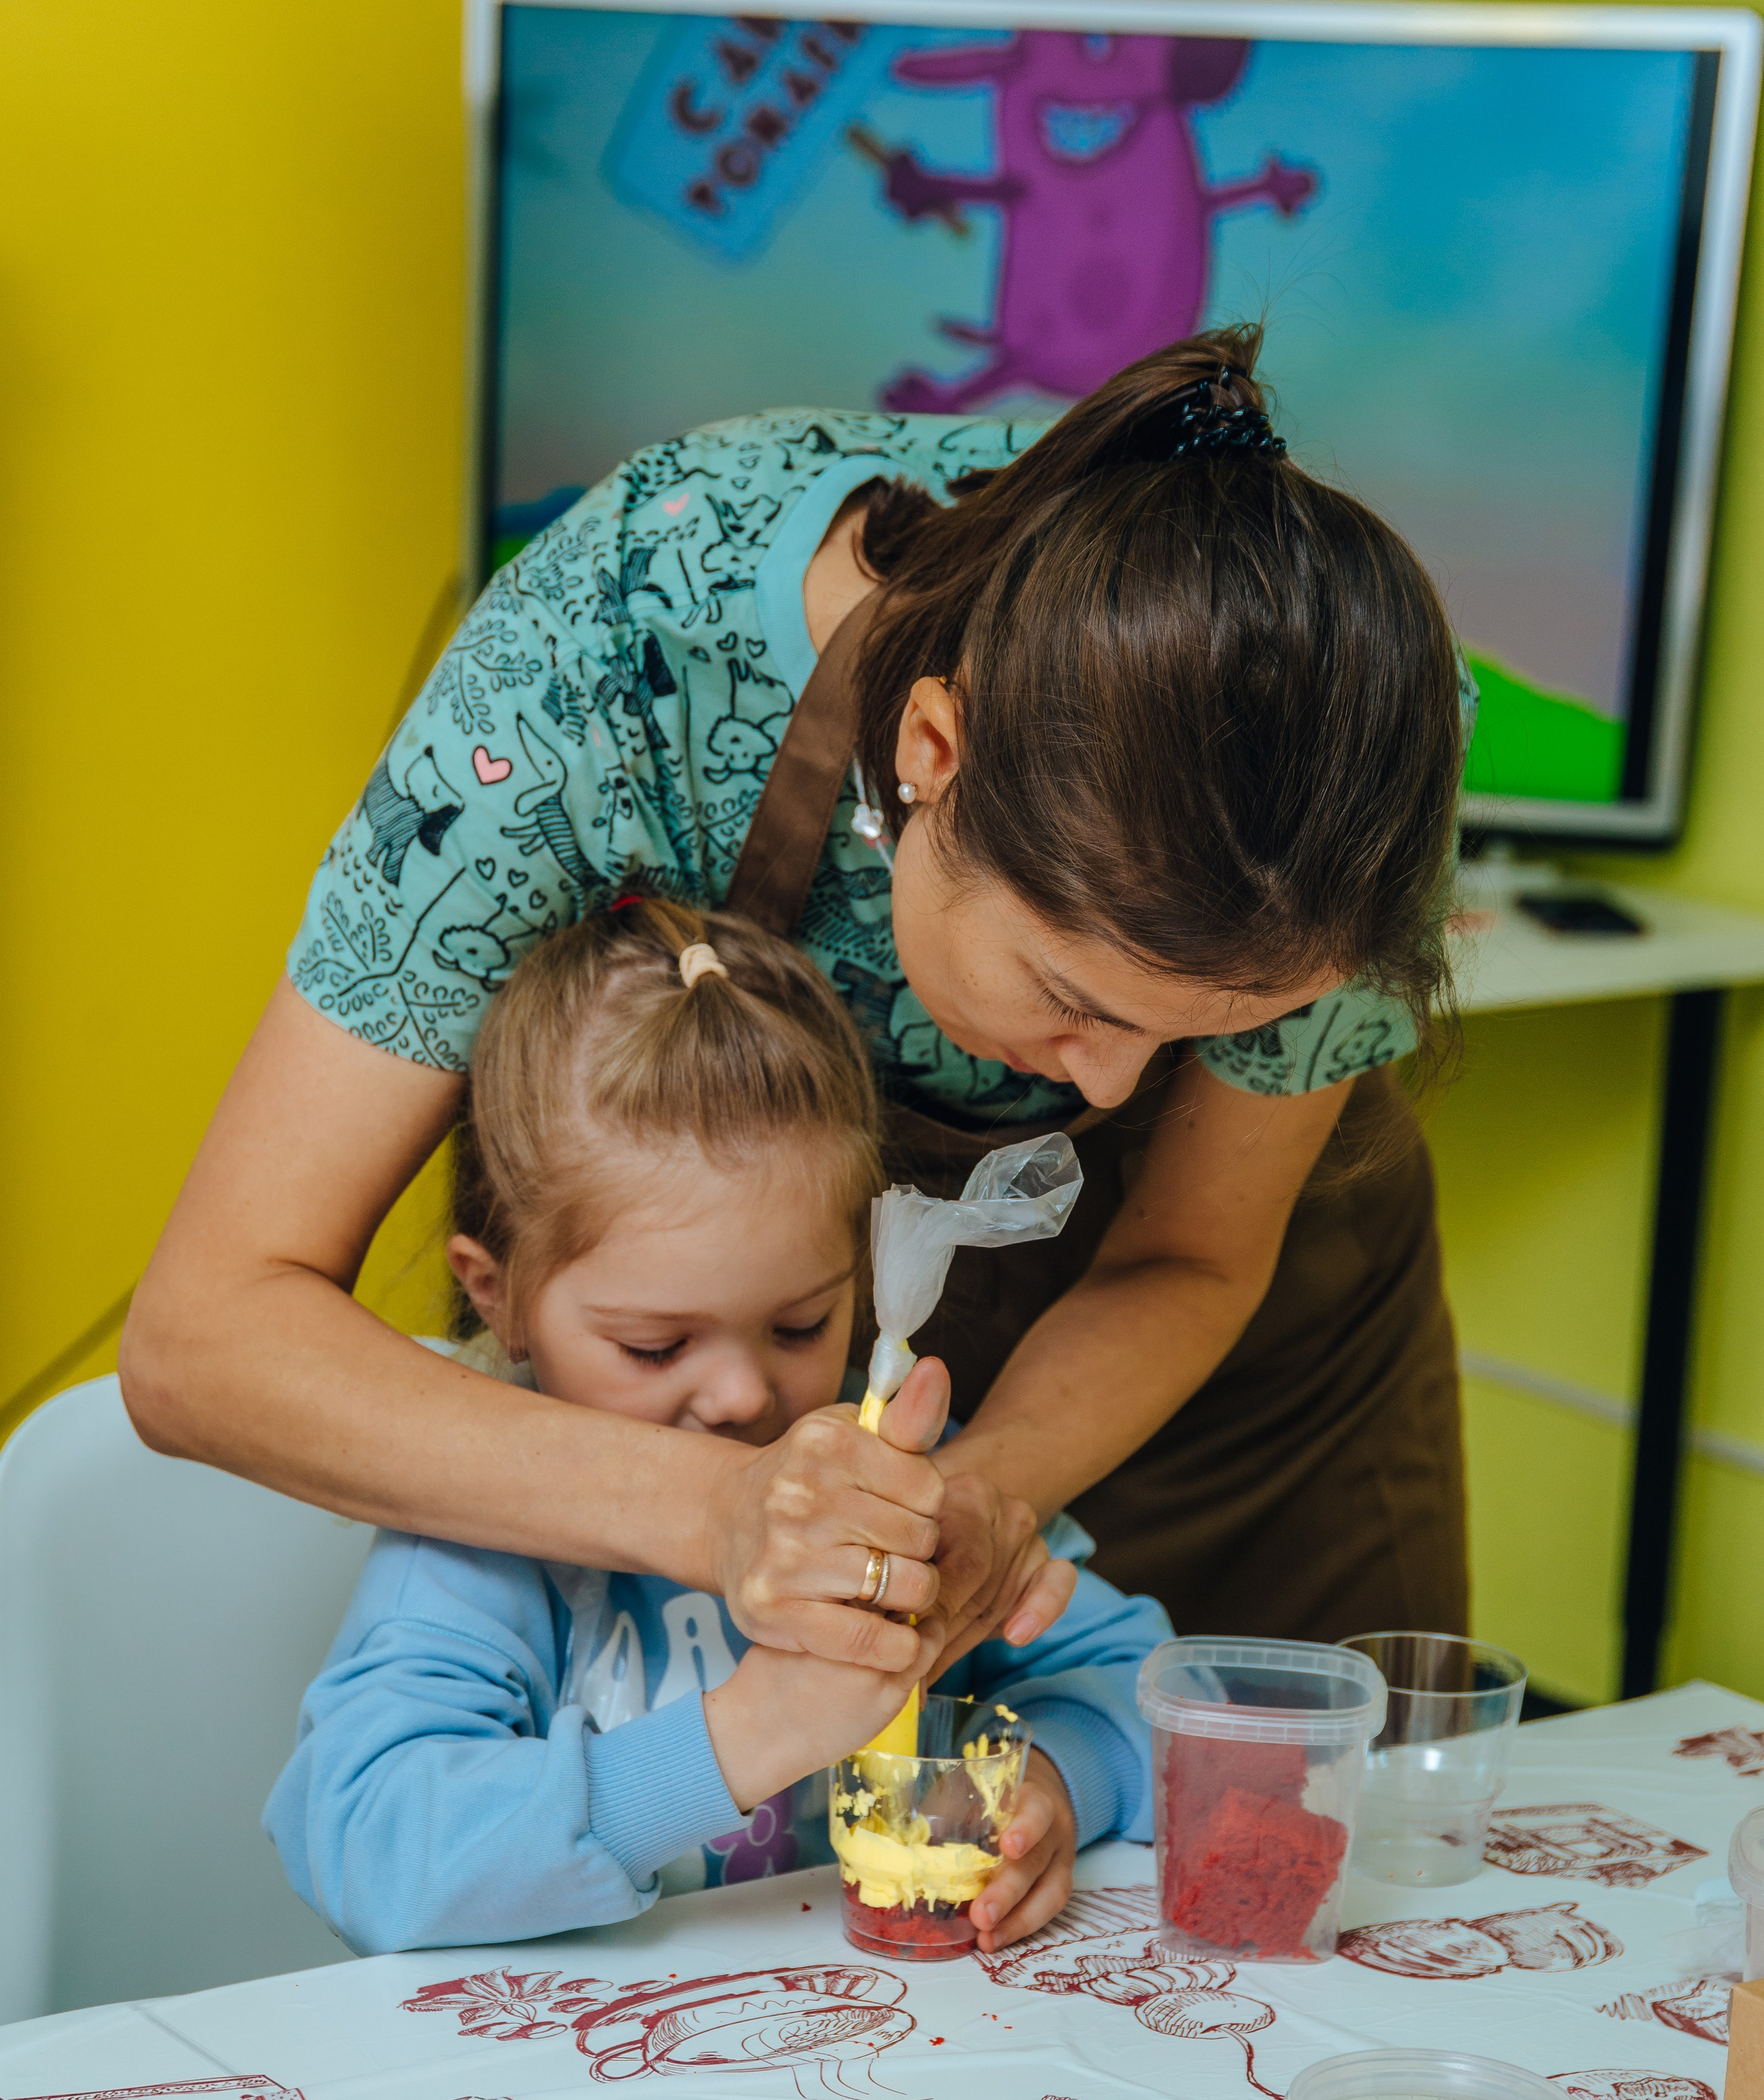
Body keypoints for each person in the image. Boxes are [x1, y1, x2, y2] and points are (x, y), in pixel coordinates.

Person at [123, 325, 1470, 1668]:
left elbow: (1191, 1249)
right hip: (734, 1401)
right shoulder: (601, 654)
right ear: (930, 749)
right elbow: (205, 1339)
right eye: (1073, 998)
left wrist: (992, 1494)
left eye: (1208, 1033)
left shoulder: (1354, 766)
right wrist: (717, 1507)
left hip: (1232, 1380)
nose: (1108, 1088)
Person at [267, 903, 1161, 1956]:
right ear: (498, 1295)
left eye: (801, 1324)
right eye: (654, 1346)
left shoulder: (887, 1495)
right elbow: (367, 1846)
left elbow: (1152, 1693)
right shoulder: (482, 1553)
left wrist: (1054, 1783)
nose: (743, 1394)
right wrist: (754, 1731)